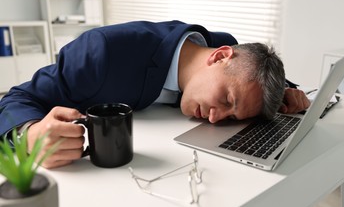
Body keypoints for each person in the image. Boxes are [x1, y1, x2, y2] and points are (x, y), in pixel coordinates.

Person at [0, 20, 310, 169]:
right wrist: (28, 135)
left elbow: (250, 71)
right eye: (227, 101)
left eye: (231, 115)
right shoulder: (102, 53)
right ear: (218, 57)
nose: (215, 117)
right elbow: (16, 98)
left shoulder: (224, 45)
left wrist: (285, 90)